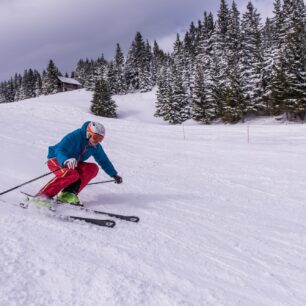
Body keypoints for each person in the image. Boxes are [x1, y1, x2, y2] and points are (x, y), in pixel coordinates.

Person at [37, 121, 122, 205]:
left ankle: (68, 194)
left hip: (74, 163)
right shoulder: (75, 136)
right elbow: (60, 149)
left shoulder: (95, 147)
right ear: (89, 133)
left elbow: (103, 160)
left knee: (92, 168)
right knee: (71, 173)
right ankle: (42, 196)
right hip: (57, 159)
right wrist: (65, 160)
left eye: (100, 139)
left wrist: (113, 174)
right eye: (95, 137)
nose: (97, 141)